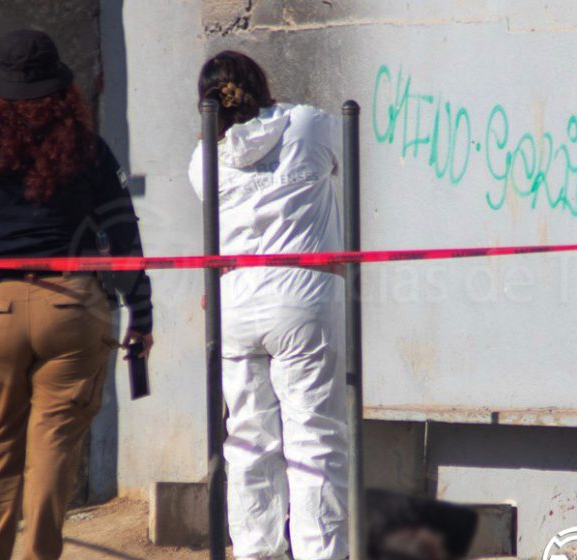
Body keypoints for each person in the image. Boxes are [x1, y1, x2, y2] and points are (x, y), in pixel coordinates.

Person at [0, 29, 153, 560]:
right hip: (72, 306)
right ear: (61, 88)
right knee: (54, 446)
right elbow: (124, 234)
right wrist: (141, 312)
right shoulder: (88, 149)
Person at [188, 51, 348, 560]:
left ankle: (257, 553)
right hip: (303, 295)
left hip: (234, 300)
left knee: (249, 443)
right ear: (262, 85)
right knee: (314, 438)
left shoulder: (203, 160)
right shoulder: (308, 124)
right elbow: (339, 161)